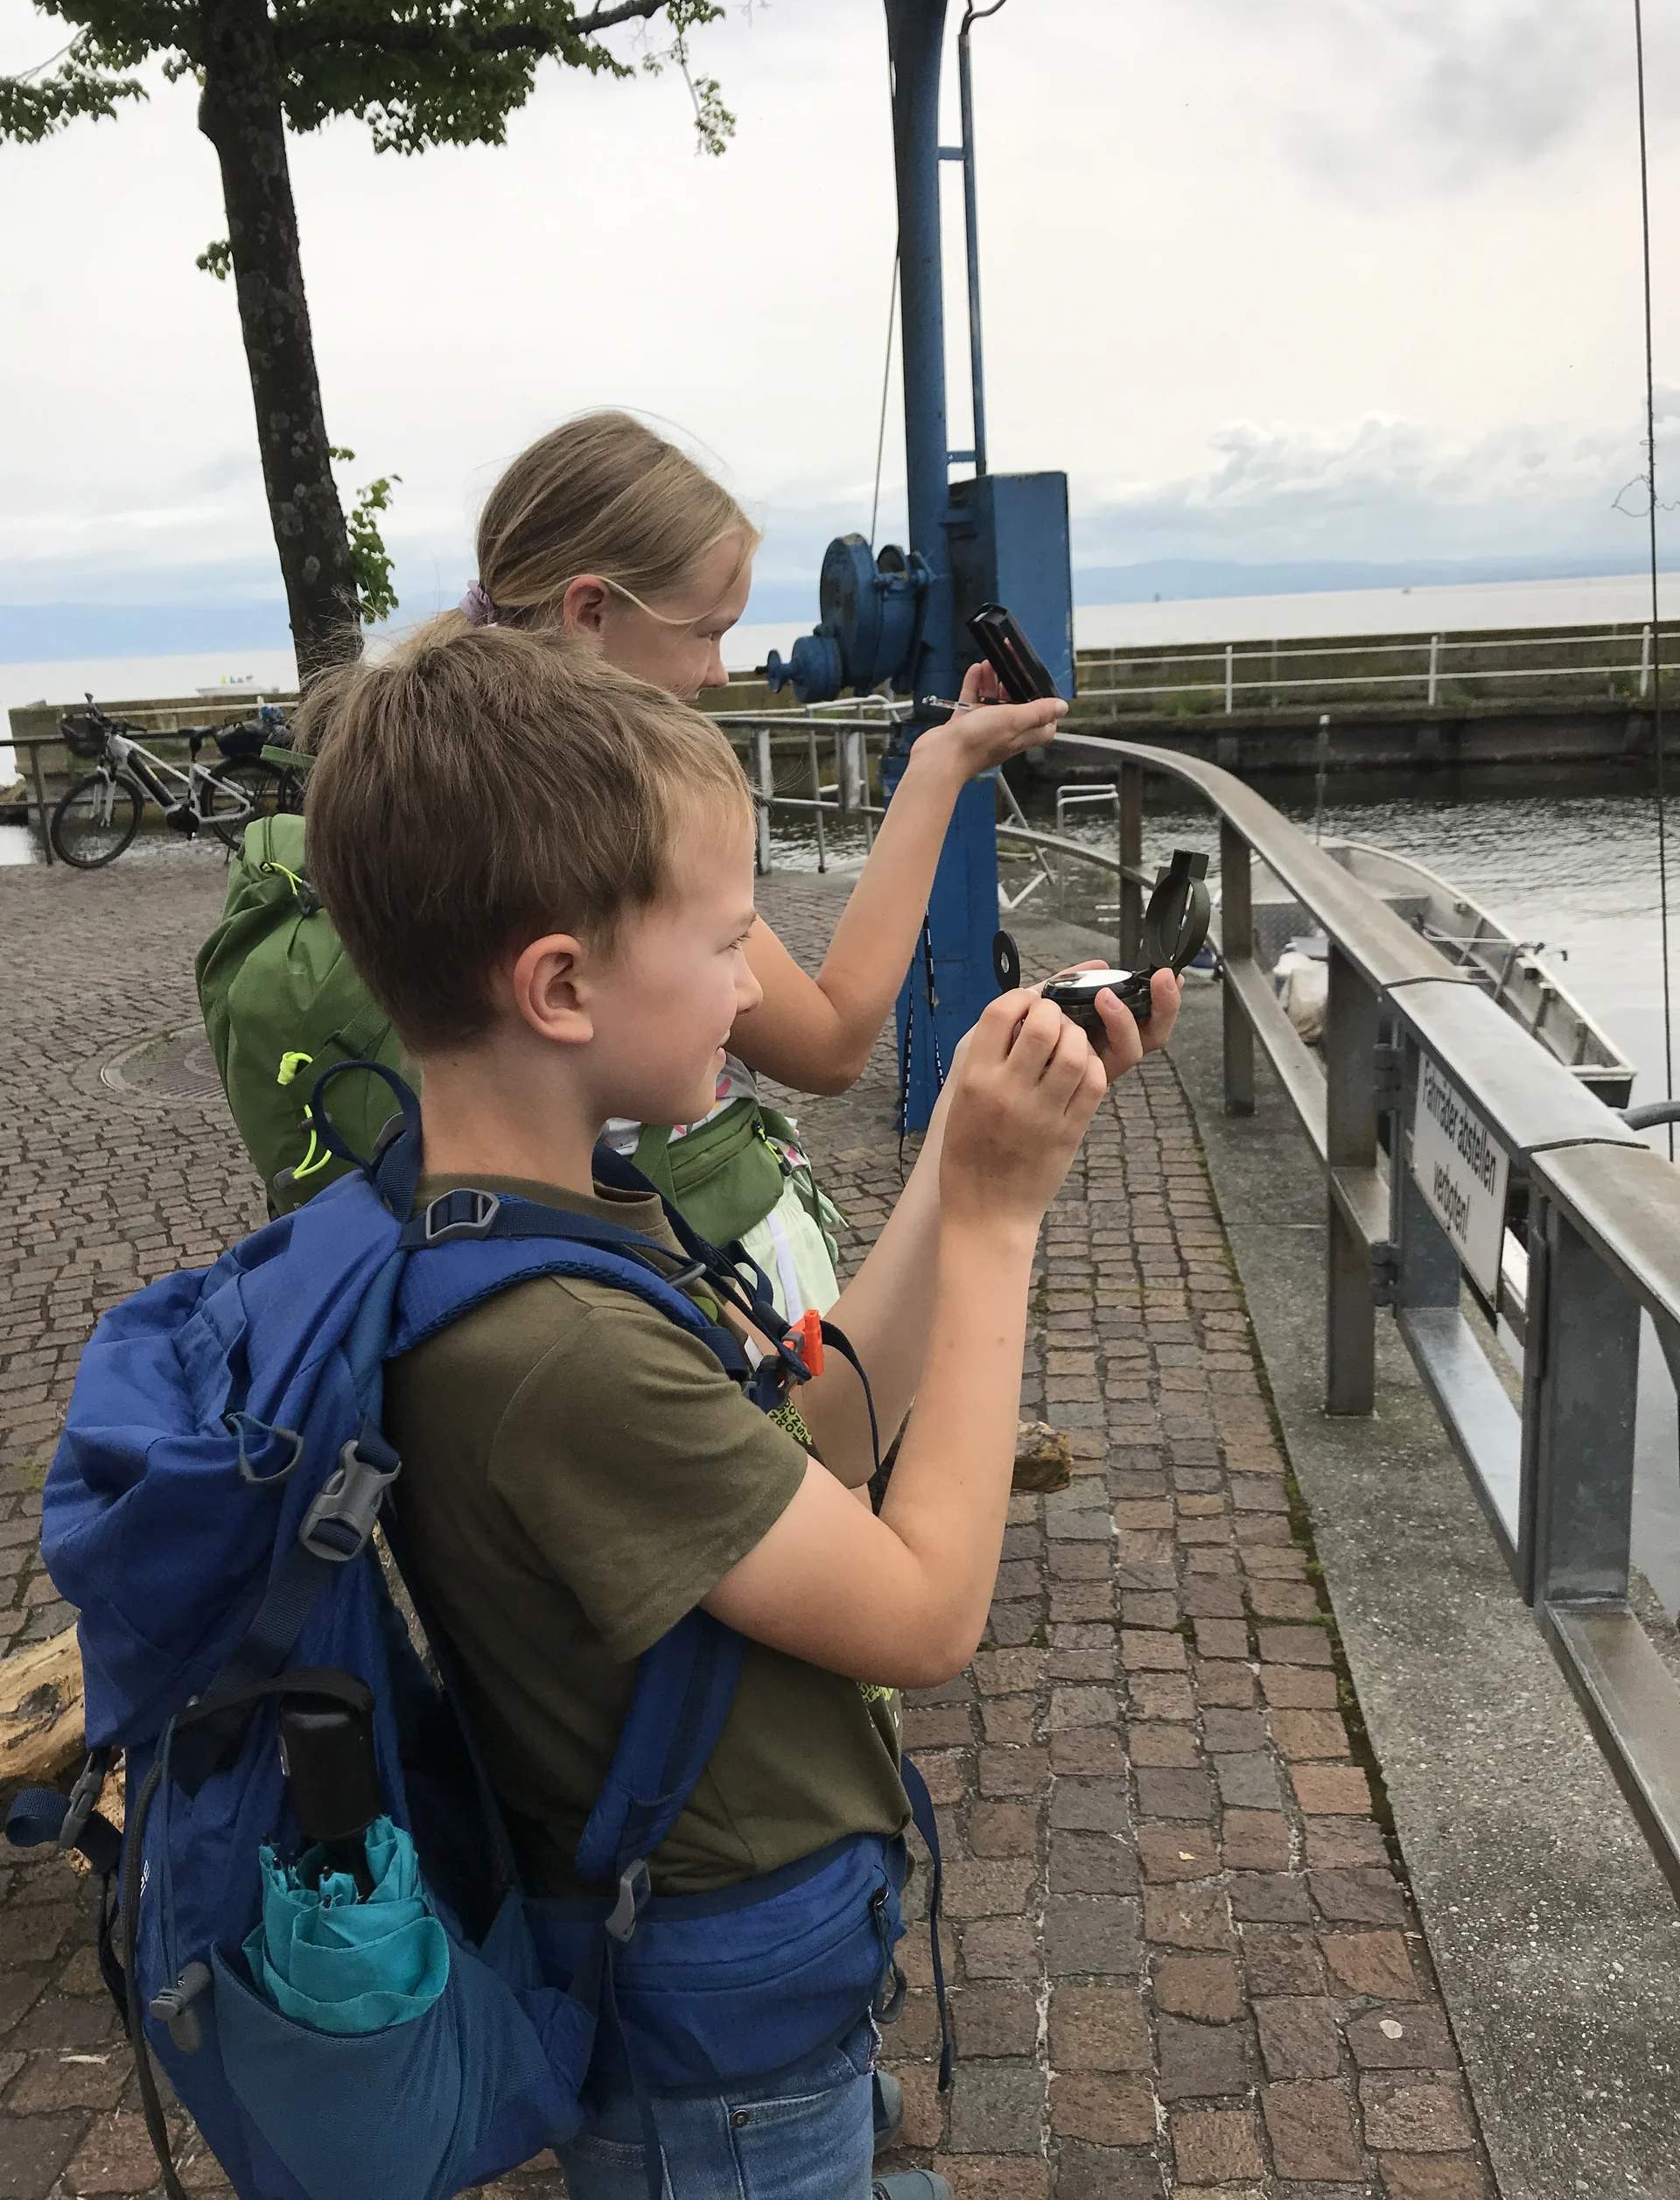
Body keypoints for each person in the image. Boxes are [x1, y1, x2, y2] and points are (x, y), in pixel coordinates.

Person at [301, 620, 1179, 2200]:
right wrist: (994, 1219)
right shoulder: (553, 1345)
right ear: (561, 986)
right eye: (723, 943)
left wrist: (963, 1145)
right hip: (715, 2052)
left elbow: (809, 1439)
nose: (749, 984)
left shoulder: (529, 1217)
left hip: (735, 1975)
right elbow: (920, 1614)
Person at [285, 410, 1067, 1314]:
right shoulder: (594, 809)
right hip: (683, 1281)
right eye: (703, 630)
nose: (720, 671)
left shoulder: (433, 775)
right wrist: (942, 767)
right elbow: (830, 1039)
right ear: (589, 612)